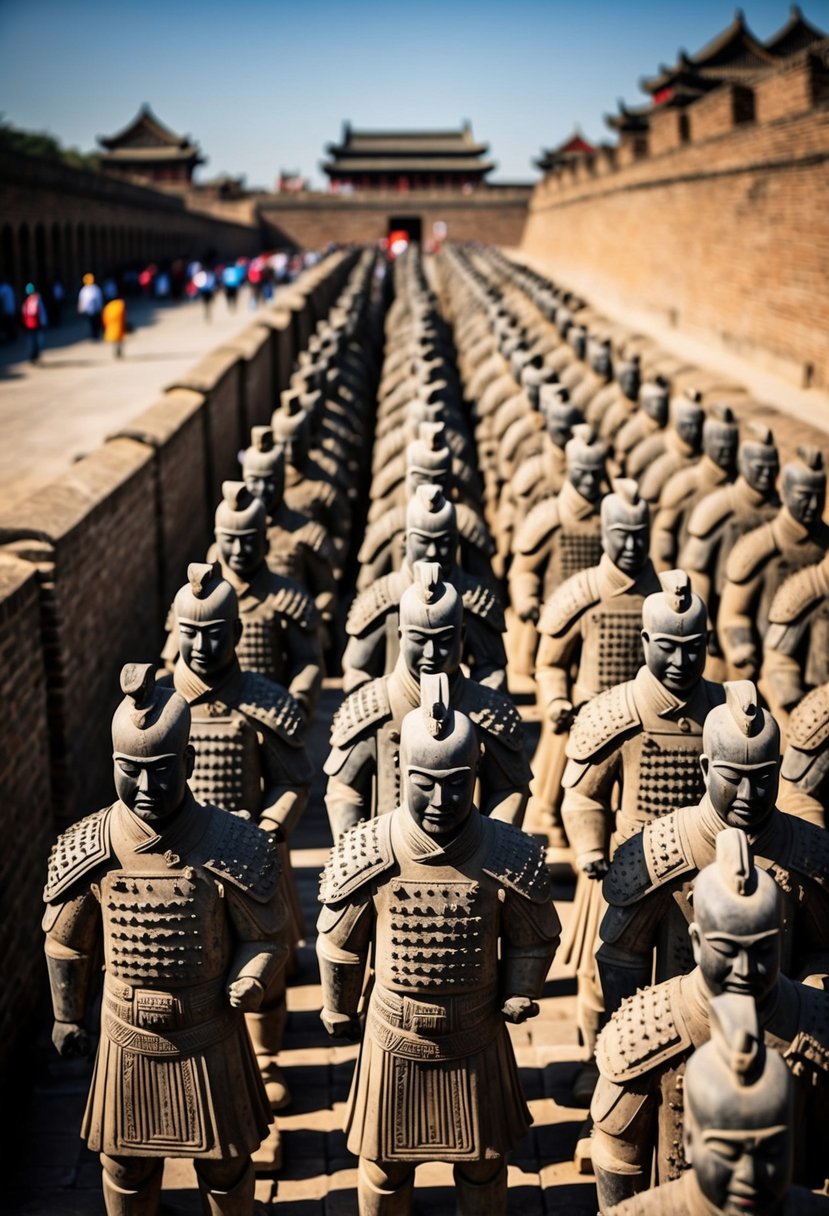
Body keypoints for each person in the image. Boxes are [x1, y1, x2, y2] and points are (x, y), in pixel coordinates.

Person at [42, 663, 286, 1215]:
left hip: (207, 1028)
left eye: (161, 771)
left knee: (225, 1163)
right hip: (126, 1033)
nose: (147, 787)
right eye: (131, 772)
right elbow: (68, 943)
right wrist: (66, 1014)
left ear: (189, 763)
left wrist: (250, 977)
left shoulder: (230, 844)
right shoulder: (91, 845)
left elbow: (264, 936)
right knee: (125, 1165)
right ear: (113, 764)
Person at [317, 675, 561, 1215]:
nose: (441, 800)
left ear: (476, 773)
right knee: (384, 1167)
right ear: (402, 769)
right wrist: (339, 1004)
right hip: (393, 1031)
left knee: (483, 1164)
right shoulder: (371, 847)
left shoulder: (505, 850)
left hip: (476, 1031)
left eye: (456, 784)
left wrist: (521, 988)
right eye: (424, 783)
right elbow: (340, 942)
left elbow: (536, 934)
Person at [21, 282, 47, 363]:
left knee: (35, 341)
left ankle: (35, 355)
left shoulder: (32, 300)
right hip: (32, 324)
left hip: (33, 324)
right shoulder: (32, 300)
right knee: (34, 341)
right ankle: (34, 356)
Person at [77, 272, 103, 339]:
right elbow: (81, 300)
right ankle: (94, 334)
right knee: (91, 322)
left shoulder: (95, 288)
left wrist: (100, 307)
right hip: (89, 310)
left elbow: (99, 299)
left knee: (97, 322)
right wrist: (81, 308)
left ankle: (96, 333)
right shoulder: (84, 290)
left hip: (96, 309)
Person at [102, 293, 128, 359]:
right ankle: (119, 352)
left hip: (111, 325)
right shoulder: (120, 304)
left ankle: (116, 352)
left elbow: (105, 317)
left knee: (114, 339)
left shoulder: (108, 307)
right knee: (119, 339)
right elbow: (124, 314)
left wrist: (105, 326)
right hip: (119, 324)